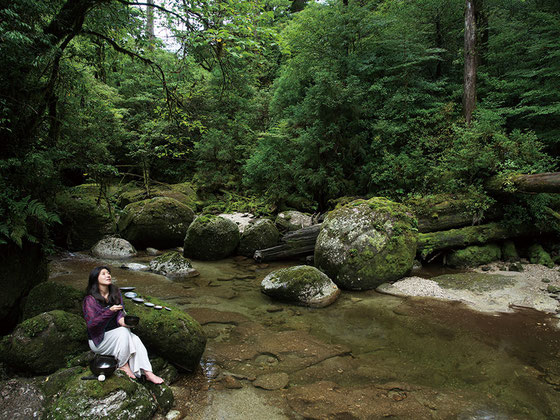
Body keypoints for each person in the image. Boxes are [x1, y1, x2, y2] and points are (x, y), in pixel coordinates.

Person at [83, 266, 164, 384]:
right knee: (123, 332)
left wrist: (125, 322)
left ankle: (148, 372)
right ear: (95, 279)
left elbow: (120, 314)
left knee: (135, 339)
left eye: (109, 273)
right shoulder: (89, 300)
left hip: (117, 338)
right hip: (99, 341)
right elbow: (92, 325)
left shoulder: (115, 292)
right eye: (104, 274)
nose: (108, 275)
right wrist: (109, 311)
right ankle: (123, 365)